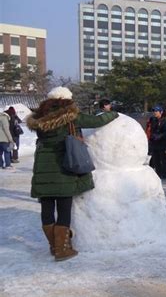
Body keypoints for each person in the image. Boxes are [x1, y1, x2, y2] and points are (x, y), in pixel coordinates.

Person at [26, 87, 118, 261]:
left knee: (46, 208)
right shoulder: (70, 116)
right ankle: (63, 249)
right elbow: (95, 121)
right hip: (63, 167)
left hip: (42, 168)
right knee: (63, 208)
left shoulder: (38, 119)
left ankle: (54, 246)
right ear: (66, 100)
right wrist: (112, 114)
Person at [149, 105, 166, 180]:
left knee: (164, 160)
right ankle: (158, 174)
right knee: (156, 160)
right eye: (154, 111)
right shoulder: (153, 120)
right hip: (155, 144)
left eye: (156, 111)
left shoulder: (165, 122)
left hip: (163, 144)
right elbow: (151, 130)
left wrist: (159, 136)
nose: (154, 113)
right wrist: (152, 137)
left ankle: (165, 175)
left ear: (161, 112)